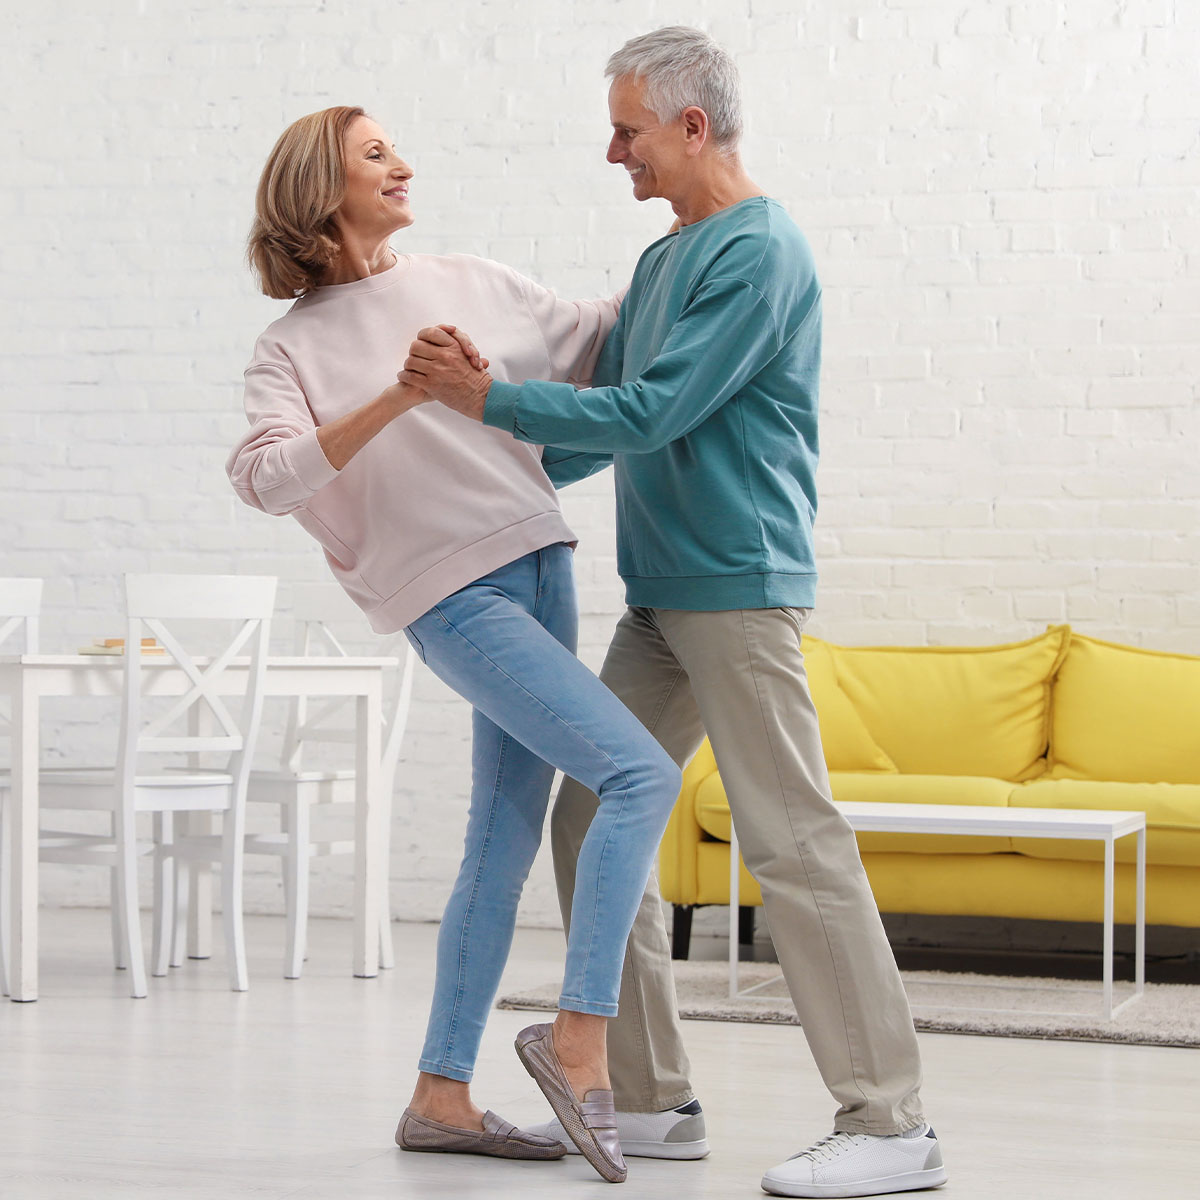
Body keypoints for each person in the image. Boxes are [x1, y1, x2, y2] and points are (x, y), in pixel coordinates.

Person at [398, 27, 948, 1199]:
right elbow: (605, 424)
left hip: (740, 589)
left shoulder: (761, 252)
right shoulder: (663, 261)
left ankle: (891, 1121)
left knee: (794, 844)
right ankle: (652, 1102)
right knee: (592, 817)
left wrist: (490, 396)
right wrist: (483, 458)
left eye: (629, 130)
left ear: (691, 128)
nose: (615, 152)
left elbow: (653, 410)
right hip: (663, 598)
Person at [226, 104, 685, 1184]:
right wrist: (401, 392)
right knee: (635, 774)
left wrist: (698, 240)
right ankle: (580, 1043)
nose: (404, 164)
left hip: (542, 564)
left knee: (503, 832)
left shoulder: (468, 277)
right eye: (376, 152)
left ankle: (441, 1094)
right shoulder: (290, 345)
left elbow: (596, 331)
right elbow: (262, 477)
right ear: (318, 187)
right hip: (452, 596)